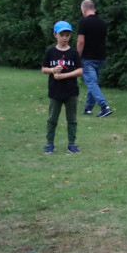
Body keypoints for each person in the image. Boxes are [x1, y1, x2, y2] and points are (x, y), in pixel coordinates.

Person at [41, 21, 84, 154]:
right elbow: (44, 69)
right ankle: (49, 144)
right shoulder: (51, 52)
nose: (65, 38)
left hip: (71, 91)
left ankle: (72, 144)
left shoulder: (74, 53)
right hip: (55, 91)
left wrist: (64, 76)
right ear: (55, 35)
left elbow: (80, 71)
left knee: (71, 119)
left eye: (67, 35)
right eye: (62, 35)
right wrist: (53, 70)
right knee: (52, 119)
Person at [77, 0, 112, 117]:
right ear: (94, 9)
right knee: (93, 83)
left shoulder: (84, 22)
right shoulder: (102, 23)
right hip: (100, 57)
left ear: (84, 9)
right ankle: (88, 108)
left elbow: (81, 41)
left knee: (91, 83)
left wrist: (77, 56)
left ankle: (104, 106)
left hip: (87, 57)